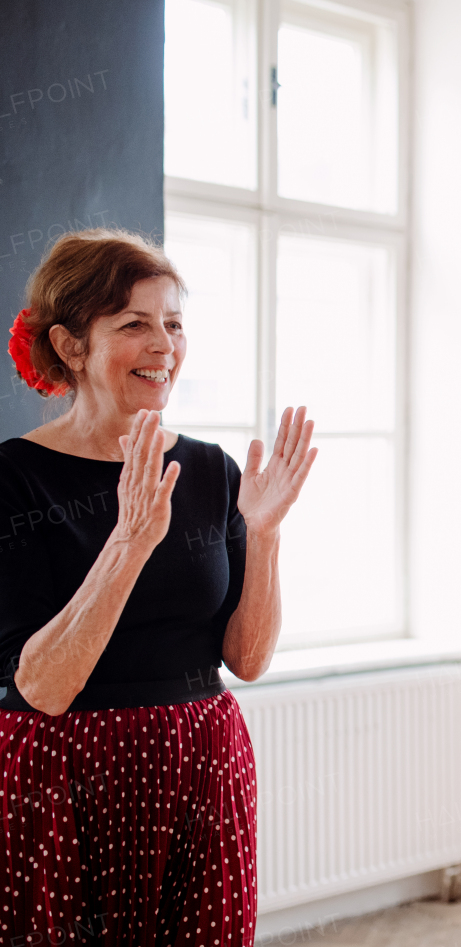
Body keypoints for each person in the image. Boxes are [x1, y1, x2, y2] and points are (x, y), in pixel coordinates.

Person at [0, 230, 316, 946]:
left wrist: (263, 535)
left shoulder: (211, 470)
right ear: (71, 345)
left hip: (201, 765)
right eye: (134, 324)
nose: (164, 345)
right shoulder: (14, 477)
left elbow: (248, 658)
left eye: (173, 323)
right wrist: (128, 541)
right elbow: (42, 686)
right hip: (63, 784)